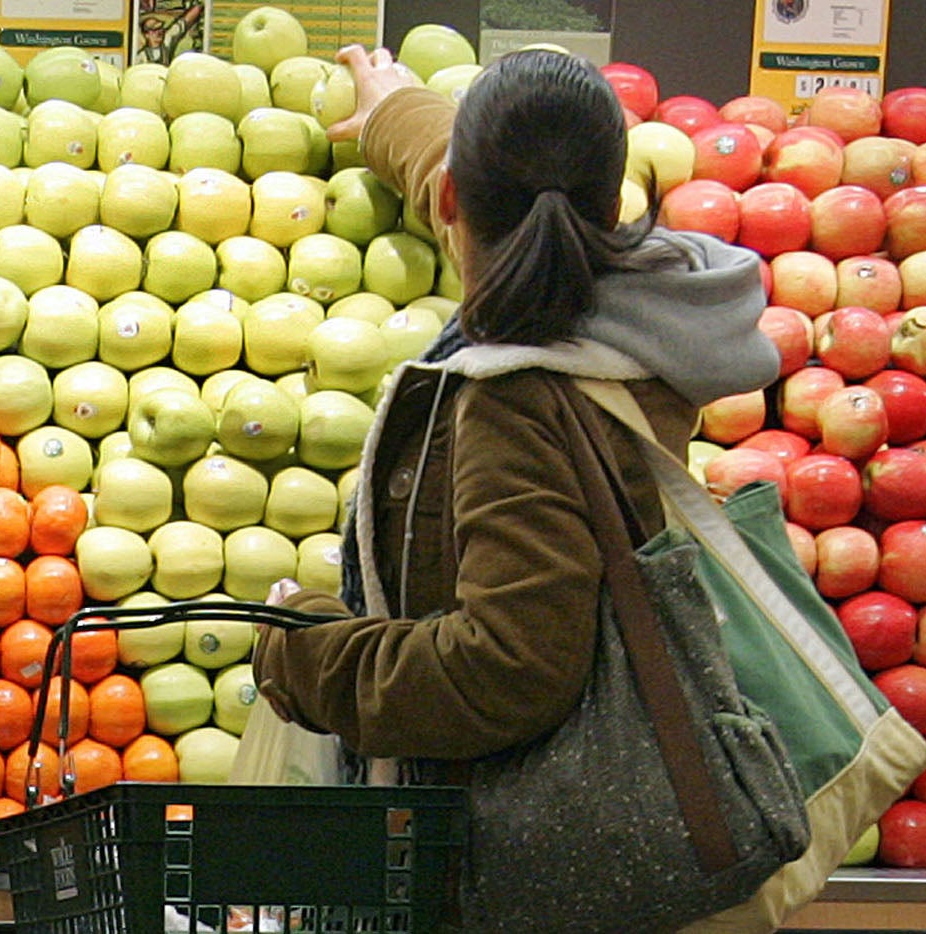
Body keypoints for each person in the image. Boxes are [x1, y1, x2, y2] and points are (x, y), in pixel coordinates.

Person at [245, 44, 782, 926]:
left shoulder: (516, 399)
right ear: (614, 203)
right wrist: (394, 113)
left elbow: (509, 668)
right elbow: (499, 198)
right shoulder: (649, 303)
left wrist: (302, 652)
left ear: (455, 201)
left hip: (523, 873)